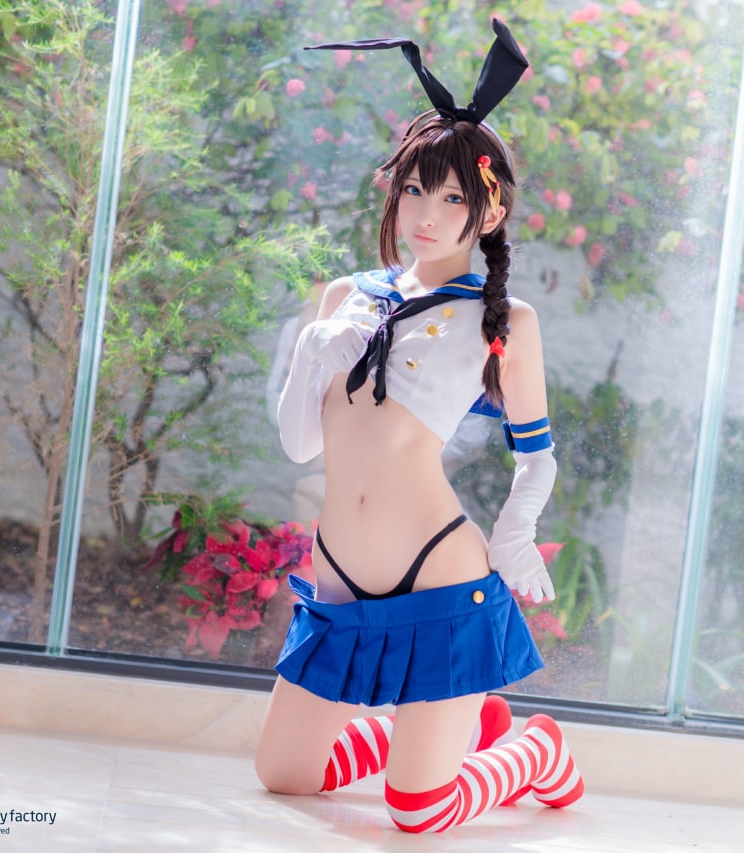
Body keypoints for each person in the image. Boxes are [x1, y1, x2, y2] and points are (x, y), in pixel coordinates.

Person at [254, 19, 585, 833]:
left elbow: (536, 457)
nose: (427, 213)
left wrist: (515, 532)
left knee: (420, 810)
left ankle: (535, 751)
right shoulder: (346, 297)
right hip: (338, 574)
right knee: (283, 775)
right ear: (395, 191)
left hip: (439, 572)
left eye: (453, 198)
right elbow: (300, 445)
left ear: (491, 208)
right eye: (414, 190)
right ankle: (451, 731)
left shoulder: (504, 320)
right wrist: (313, 349)